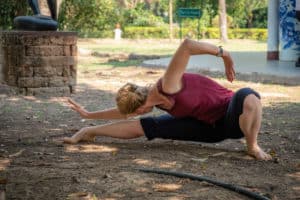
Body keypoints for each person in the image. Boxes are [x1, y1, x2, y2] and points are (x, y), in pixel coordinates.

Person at [63, 39, 272, 160]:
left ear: (140, 107)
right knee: (148, 127)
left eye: (134, 113)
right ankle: (88, 132)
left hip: (232, 116)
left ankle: (252, 145)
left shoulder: (168, 84)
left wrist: (225, 55)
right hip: (210, 130)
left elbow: (187, 45)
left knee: (248, 96)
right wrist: (88, 119)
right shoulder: (148, 102)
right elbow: (123, 115)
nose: (132, 116)